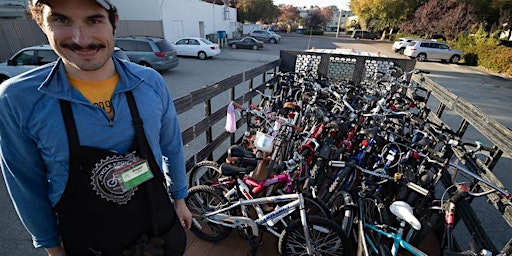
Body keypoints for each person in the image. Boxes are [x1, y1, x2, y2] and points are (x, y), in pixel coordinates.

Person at [0, 0, 191, 255]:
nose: (81, 39)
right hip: (87, 243)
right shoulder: (18, 99)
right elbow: (26, 185)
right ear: (41, 23)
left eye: (94, 20)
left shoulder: (150, 83)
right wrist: (51, 246)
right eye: (61, 20)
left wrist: (179, 197)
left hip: (158, 232)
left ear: (114, 22)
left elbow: (171, 144)